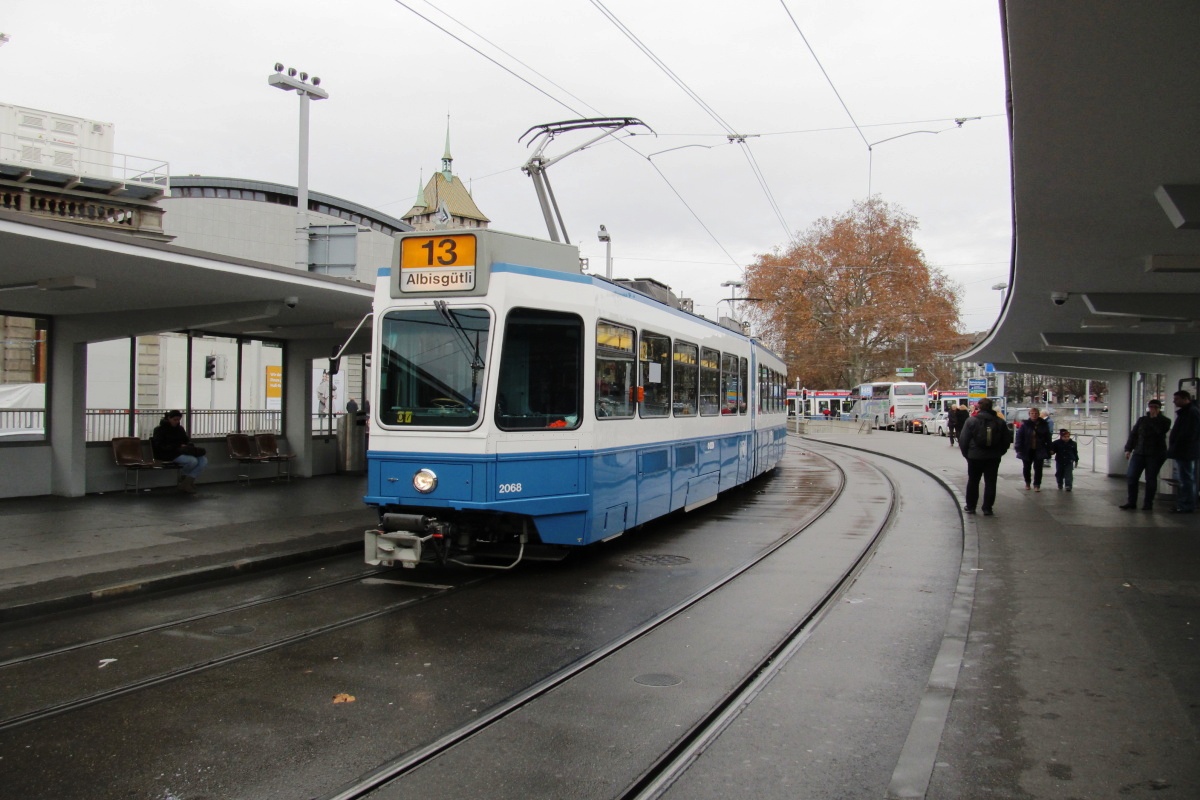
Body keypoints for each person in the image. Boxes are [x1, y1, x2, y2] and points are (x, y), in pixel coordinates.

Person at [958, 397, 1011, 516]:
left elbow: (963, 440)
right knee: (991, 482)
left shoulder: (971, 421)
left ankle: (971, 506)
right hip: (993, 457)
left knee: (973, 481)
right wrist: (999, 452)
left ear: (979, 407)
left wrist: (967, 455)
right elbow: (1007, 440)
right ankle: (987, 508)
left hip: (975, 456)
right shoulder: (999, 422)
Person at [1120, 398, 1171, 510]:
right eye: (1151, 407)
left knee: (1151, 478)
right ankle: (1131, 501)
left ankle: (1148, 503)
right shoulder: (1142, 420)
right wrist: (1128, 449)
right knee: (1132, 476)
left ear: (1159, 408)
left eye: (1155, 407)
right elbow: (1134, 434)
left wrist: (1154, 420)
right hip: (1139, 452)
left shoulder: (1165, 421)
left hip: (1155, 454)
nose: (1152, 409)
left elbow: (1160, 432)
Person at [151, 410, 207, 494]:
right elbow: (160, 445)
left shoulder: (180, 429)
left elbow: (186, 440)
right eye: (175, 420)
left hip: (181, 452)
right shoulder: (159, 430)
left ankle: (186, 482)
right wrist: (177, 446)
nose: (177, 422)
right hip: (168, 454)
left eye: (178, 420)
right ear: (169, 418)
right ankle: (186, 480)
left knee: (203, 461)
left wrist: (188, 445)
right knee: (193, 461)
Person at [1166, 390, 1200, 513]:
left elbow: (1190, 434)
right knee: (1186, 478)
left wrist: (1178, 446)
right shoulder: (1189, 412)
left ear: (1186, 399)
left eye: (1177, 399)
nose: (1174, 401)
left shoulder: (1191, 413)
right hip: (1185, 451)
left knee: (1186, 479)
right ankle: (1185, 504)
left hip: (1186, 452)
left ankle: (1186, 505)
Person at [1013, 407, 1052, 491]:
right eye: (1032, 413)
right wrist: (1018, 447)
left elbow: (1048, 437)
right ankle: (1027, 482)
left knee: (1038, 468)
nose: (1034, 415)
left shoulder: (1043, 424)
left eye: (1036, 413)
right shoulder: (1025, 424)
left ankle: (1037, 484)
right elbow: (1019, 437)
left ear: (1038, 414)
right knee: (1026, 467)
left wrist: (1050, 448)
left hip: (1039, 449)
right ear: (1029, 415)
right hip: (1027, 449)